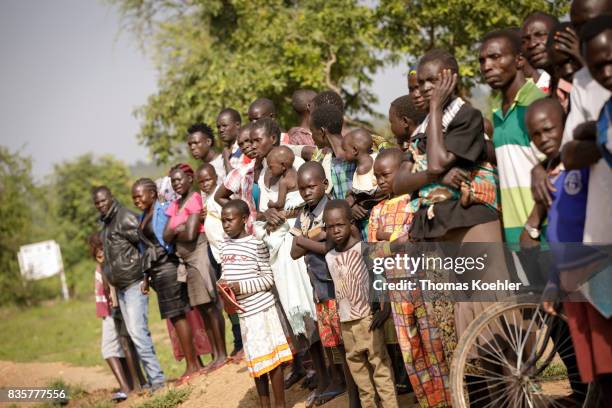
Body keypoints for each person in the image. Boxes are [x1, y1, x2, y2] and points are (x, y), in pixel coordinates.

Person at [290, 161, 359, 407]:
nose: (306, 192)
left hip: (338, 287)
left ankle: (355, 396)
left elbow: (327, 245)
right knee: (333, 344)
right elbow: (293, 252)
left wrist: (304, 238)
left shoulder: (331, 209)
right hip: (320, 290)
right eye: (302, 188)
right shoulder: (304, 213)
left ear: (325, 184)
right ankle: (343, 385)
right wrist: (314, 236)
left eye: (311, 186)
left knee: (347, 344)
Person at [323, 199, 399, 408]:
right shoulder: (329, 256)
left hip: (368, 319)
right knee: (361, 378)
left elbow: (380, 276)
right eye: (330, 227)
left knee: (380, 370)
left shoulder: (364, 249)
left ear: (351, 224)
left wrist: (384, 306)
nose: (336, 230)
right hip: (347, 324)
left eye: (340, 224)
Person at [218, 199, 293, 408]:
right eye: (223, 221)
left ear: (244, 219)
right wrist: (223, 286)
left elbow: (268, 279)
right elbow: (226, 273)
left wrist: (241, 287)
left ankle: (280, 404)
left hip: (262, 310)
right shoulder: (224, 245)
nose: (225, 224)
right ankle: (264, 404)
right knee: (256, 361)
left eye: (230, 220)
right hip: (244, 314)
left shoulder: (256, 244)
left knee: (272, 361)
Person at [92, 186, 165, 391]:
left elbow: (146, 243)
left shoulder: (124, 217)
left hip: (134, 283)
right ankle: (152, 380)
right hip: (121, 288)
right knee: (134, 334)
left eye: (103, 201)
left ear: (111, 198)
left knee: (138, 333)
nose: (100, 205)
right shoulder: (106, 223)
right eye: (97, 203)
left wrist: (146, 275)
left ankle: (157, 380)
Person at [131, 178, 204, 383]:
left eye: (139, 195)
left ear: (152, 193)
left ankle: (193, 365)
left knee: (178, 314)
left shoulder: (163, 210)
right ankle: (194, 362)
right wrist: (145, 277)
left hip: (168, 267)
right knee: (174, 317)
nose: (136, 200)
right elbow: (145, 249)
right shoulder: (144, 215)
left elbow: (171, 234)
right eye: (133, 197)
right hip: (156, 271)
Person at [480, 29, 547, 247]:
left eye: (496, 57)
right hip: (514, 232)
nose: (487, 66)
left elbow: (554, 171)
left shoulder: (538, 104)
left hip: (542, 231)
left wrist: (533, 226)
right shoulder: (498, 112)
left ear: (519, 59)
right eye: (482, 60)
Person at [163, 164, 228, 372]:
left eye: (180, 179)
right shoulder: (175, 204)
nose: (177, 184)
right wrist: (179, 228)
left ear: (190, 180)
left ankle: (222, 354)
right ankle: (216, 355)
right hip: (186, 260)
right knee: (201, 308)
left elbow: (191, 234)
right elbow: (165, 236)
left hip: (198, 255)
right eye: (173, 181)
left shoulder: (194, 200)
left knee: (210, 306)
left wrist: (176, 229)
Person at [196, 163, 244, 359]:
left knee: (235, 300)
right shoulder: (205, 198)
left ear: (216, 177)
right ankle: (238, 341)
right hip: (217, 255)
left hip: (228, 254)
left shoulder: (219, 195)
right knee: (228, 302)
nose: (205, 184)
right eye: (201, 181)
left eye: (208, 179)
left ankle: (242, 342)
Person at [89, 232, 131, 401]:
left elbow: (110, 291)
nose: (99, 252)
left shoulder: (108, 267)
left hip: (112, 312)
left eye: (102, 248)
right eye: (96, 249)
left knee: (108, 349)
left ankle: (126, 387)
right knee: (119, 348)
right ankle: (128, 385)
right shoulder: (102, 266)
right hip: (108, 312)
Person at [520, 12, 559, 91]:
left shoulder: (580, 79)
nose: (532, 44)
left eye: (540, 35)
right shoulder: (543, 88)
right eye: (525, 40)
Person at [265, 146, 299, 211]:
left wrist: (271, 204)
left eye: (271, 167)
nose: (269, 170)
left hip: (290, 211)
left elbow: (280, 204)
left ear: (283, 166)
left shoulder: (283, 181)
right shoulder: (297, 173)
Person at [216, 108, 250, 172]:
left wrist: (226, 159)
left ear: (237, 125)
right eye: (218, 127)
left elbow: (235, 180)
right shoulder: (225, 151)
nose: (221, 130)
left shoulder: (246, 149)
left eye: (224, 125)